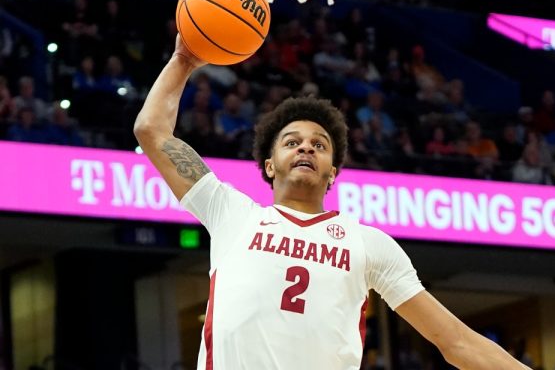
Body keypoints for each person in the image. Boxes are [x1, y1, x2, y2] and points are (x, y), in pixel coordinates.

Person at [133, 35, 531, 370]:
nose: (306, 146)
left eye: (319, 145)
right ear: (269, 165)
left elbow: (457, 342)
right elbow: (151, 130)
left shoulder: (368, 243)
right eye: (292, 142)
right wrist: (184, 59)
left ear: (333, 173)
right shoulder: (230, 211)